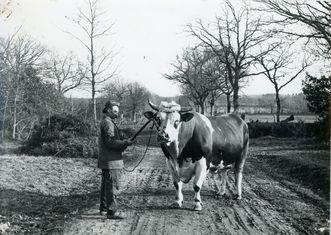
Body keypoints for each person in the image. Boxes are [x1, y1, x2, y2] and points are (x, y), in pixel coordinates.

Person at [98, 101, 133, 219]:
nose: (117, 113)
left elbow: (113, 138)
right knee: (112, 186)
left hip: (107, 160)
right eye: (115, 111)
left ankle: (103, 209)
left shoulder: (108, 122)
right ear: (108, 110)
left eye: (118, 111)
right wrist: (125, 143)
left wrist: (123, 137)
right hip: (111, 160)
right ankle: (112, 212)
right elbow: (110, 142)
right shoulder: (108, 123)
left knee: (105, 186)